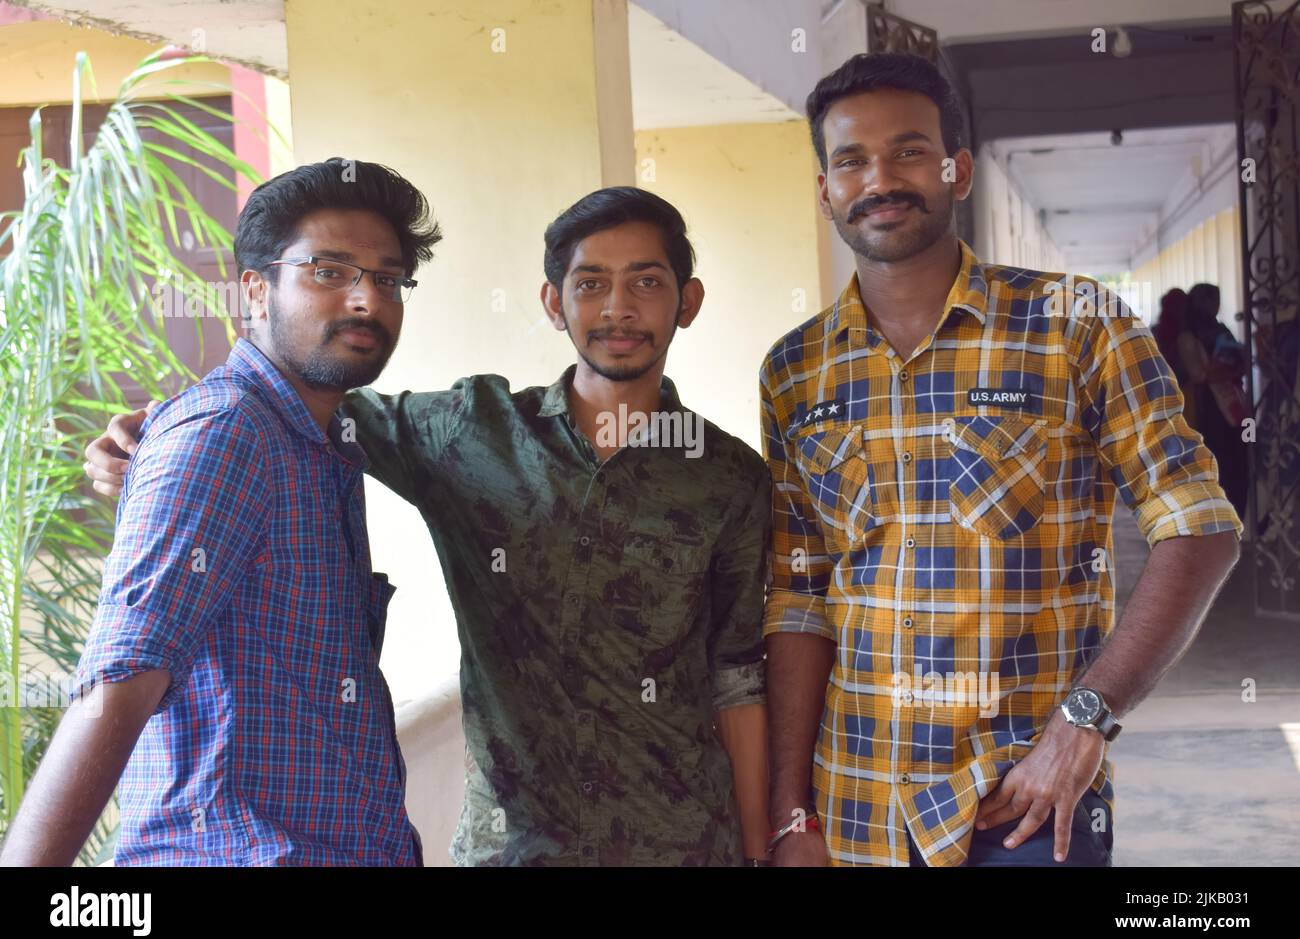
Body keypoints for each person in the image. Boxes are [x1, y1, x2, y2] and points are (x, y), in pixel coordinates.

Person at [83, 187, 772, 866]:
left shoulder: (728, 478)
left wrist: (759, 848)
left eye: (646, 282)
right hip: (513, 848)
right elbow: (294, 403)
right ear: (553, 303)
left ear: (688, 301)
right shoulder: (470, 431)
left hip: (683, 841)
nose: (618, 308)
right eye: (591, 283)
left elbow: (736, 678)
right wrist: (155, 434)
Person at [761, 52, 1243, 868]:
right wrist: (788, 812)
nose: (880, 178)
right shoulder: (795, 370)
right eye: (851, 160)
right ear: (825, 190)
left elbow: (1199, 527)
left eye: (909, 151)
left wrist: (1086, 720)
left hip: (1022, 799)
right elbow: (801, 595)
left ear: (957, 169)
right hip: (855, 801)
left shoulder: (1075, 325)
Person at [1, 158, 438, 865]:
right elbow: (115, 684)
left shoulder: (325, 446)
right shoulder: (224, 435)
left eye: (387, 279)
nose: (366, 299)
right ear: (255, 291)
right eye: (330, 271)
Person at [1179, 282, 1250, 519]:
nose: (1216, 306)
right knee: (1214, 457)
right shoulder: (1188, 336)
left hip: (1231, 406)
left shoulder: (1220, 330)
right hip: (1207, 407)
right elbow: (1199, 374)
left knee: (1236, 457)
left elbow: (1241, 362)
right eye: (1211, 301)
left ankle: (1237, 511)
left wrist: (1234, 366)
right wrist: (1225, 370)